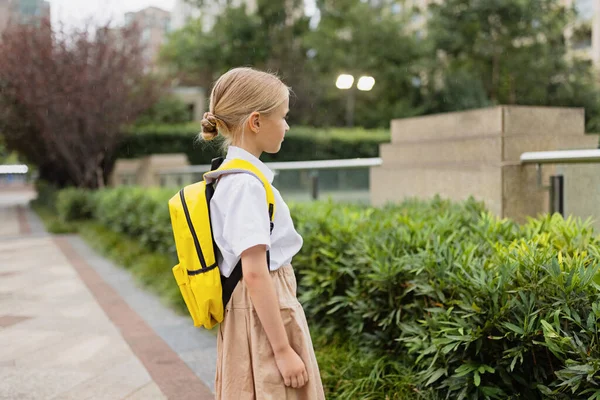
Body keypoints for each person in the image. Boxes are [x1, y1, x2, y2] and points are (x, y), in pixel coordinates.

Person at [201, 67, 326, 400]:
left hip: (254, 307)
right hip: (263, 307)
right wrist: (283, 349)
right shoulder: (245, 185)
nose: (286, 125)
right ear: (256, 122)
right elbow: (255, 273)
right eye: (283, 117)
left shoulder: (230, 176)